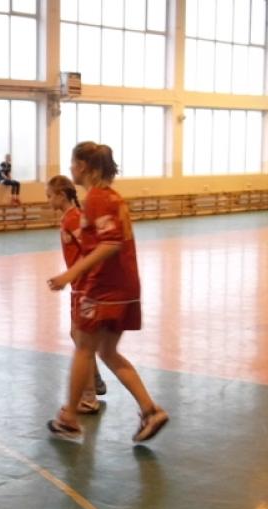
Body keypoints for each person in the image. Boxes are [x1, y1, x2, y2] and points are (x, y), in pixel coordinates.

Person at [47, 142, 168, 443]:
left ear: (83, 166)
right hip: (125, 285)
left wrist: (70, 274)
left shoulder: (98, 198)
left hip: (105, 287)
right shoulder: (113, 197)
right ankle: (150, 410)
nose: (71, 169)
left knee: (83, 346)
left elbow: (110, 243)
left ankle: (71, 416)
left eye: (73, 163)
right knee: (107, 351)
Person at [47, 174, 107, 413]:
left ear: (61, 195)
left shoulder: (73, 218)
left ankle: (89, 396)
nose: (48, 201)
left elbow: (90, 251)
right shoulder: (69, 218)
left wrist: (70, 275)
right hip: (78, 286)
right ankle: (95, 378)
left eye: (50, 196)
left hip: (84, 286)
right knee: (77, 335)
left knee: (82, 340)